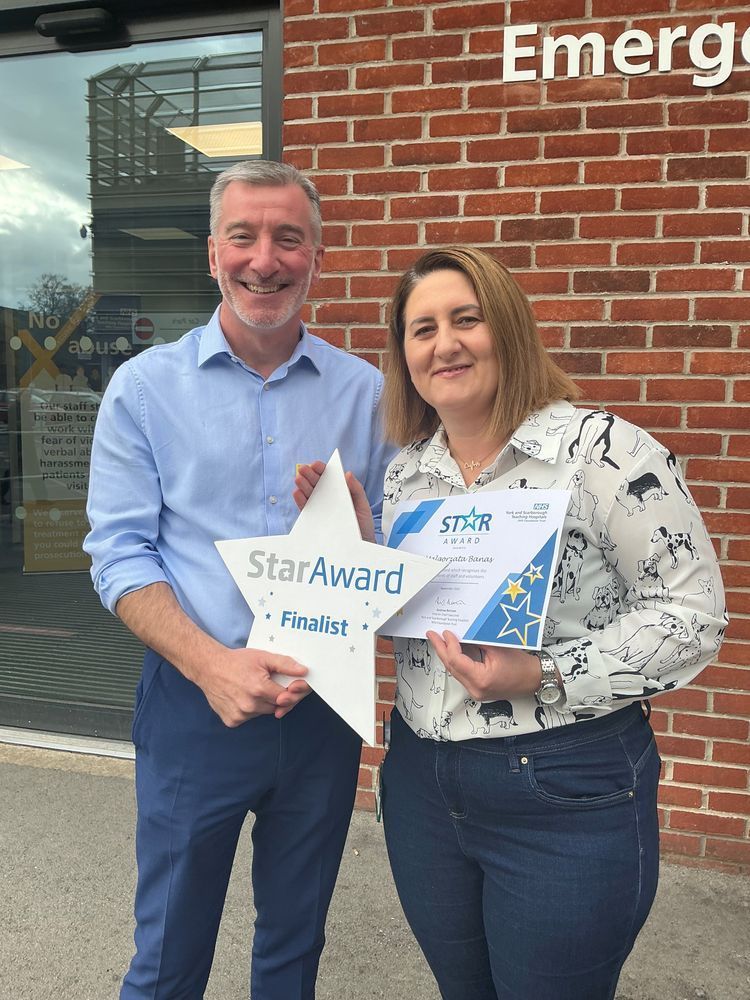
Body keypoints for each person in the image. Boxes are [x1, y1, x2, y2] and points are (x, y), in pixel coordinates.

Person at [295, 245, 727, 1000]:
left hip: (563, 786)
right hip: (424, 786)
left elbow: (693, 613)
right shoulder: (409, 472)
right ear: (403, 356)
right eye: (421, 329)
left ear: (510, 329)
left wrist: (547, 673)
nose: (445, 343)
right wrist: (362, 557)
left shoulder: (601, 451)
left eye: (467, 319)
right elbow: (430, 617)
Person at [84, 160, 393, 1000]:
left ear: (318, 257)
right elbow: (119, 555)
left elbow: (395, 556)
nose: (267, 259)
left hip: (320, 709)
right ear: (213, 254)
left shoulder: (369, 397)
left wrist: (369, 540)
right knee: (168, 956)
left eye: (289, 238)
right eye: (246, 237)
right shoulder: (144, 391)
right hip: (195, 702)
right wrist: (210, 664)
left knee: (294, 949)